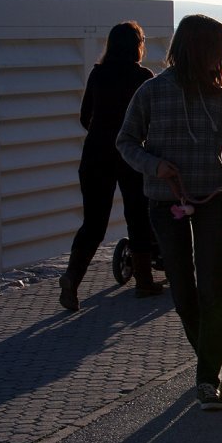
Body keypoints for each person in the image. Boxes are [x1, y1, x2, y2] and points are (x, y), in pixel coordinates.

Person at [117, 14, 222, 411]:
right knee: (182, 291)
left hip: (212, 202)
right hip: (165, 203)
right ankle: (218, 361)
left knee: (210, 291)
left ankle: (206, 380)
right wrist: (155, 166)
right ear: (196, 50)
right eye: (218, 54)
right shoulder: (151, 92)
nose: (221, 63)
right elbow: (125, 141)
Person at [59, 21, 163, 312]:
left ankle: (71, 279)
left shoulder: (98, 74)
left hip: (94, 155)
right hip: (130, 156)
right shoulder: (143, 77)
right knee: (138, 215)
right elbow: (151, 122)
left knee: (93, 223)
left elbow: (84, 117)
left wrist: (102, 132)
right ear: (137, 46)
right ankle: (144, 281)